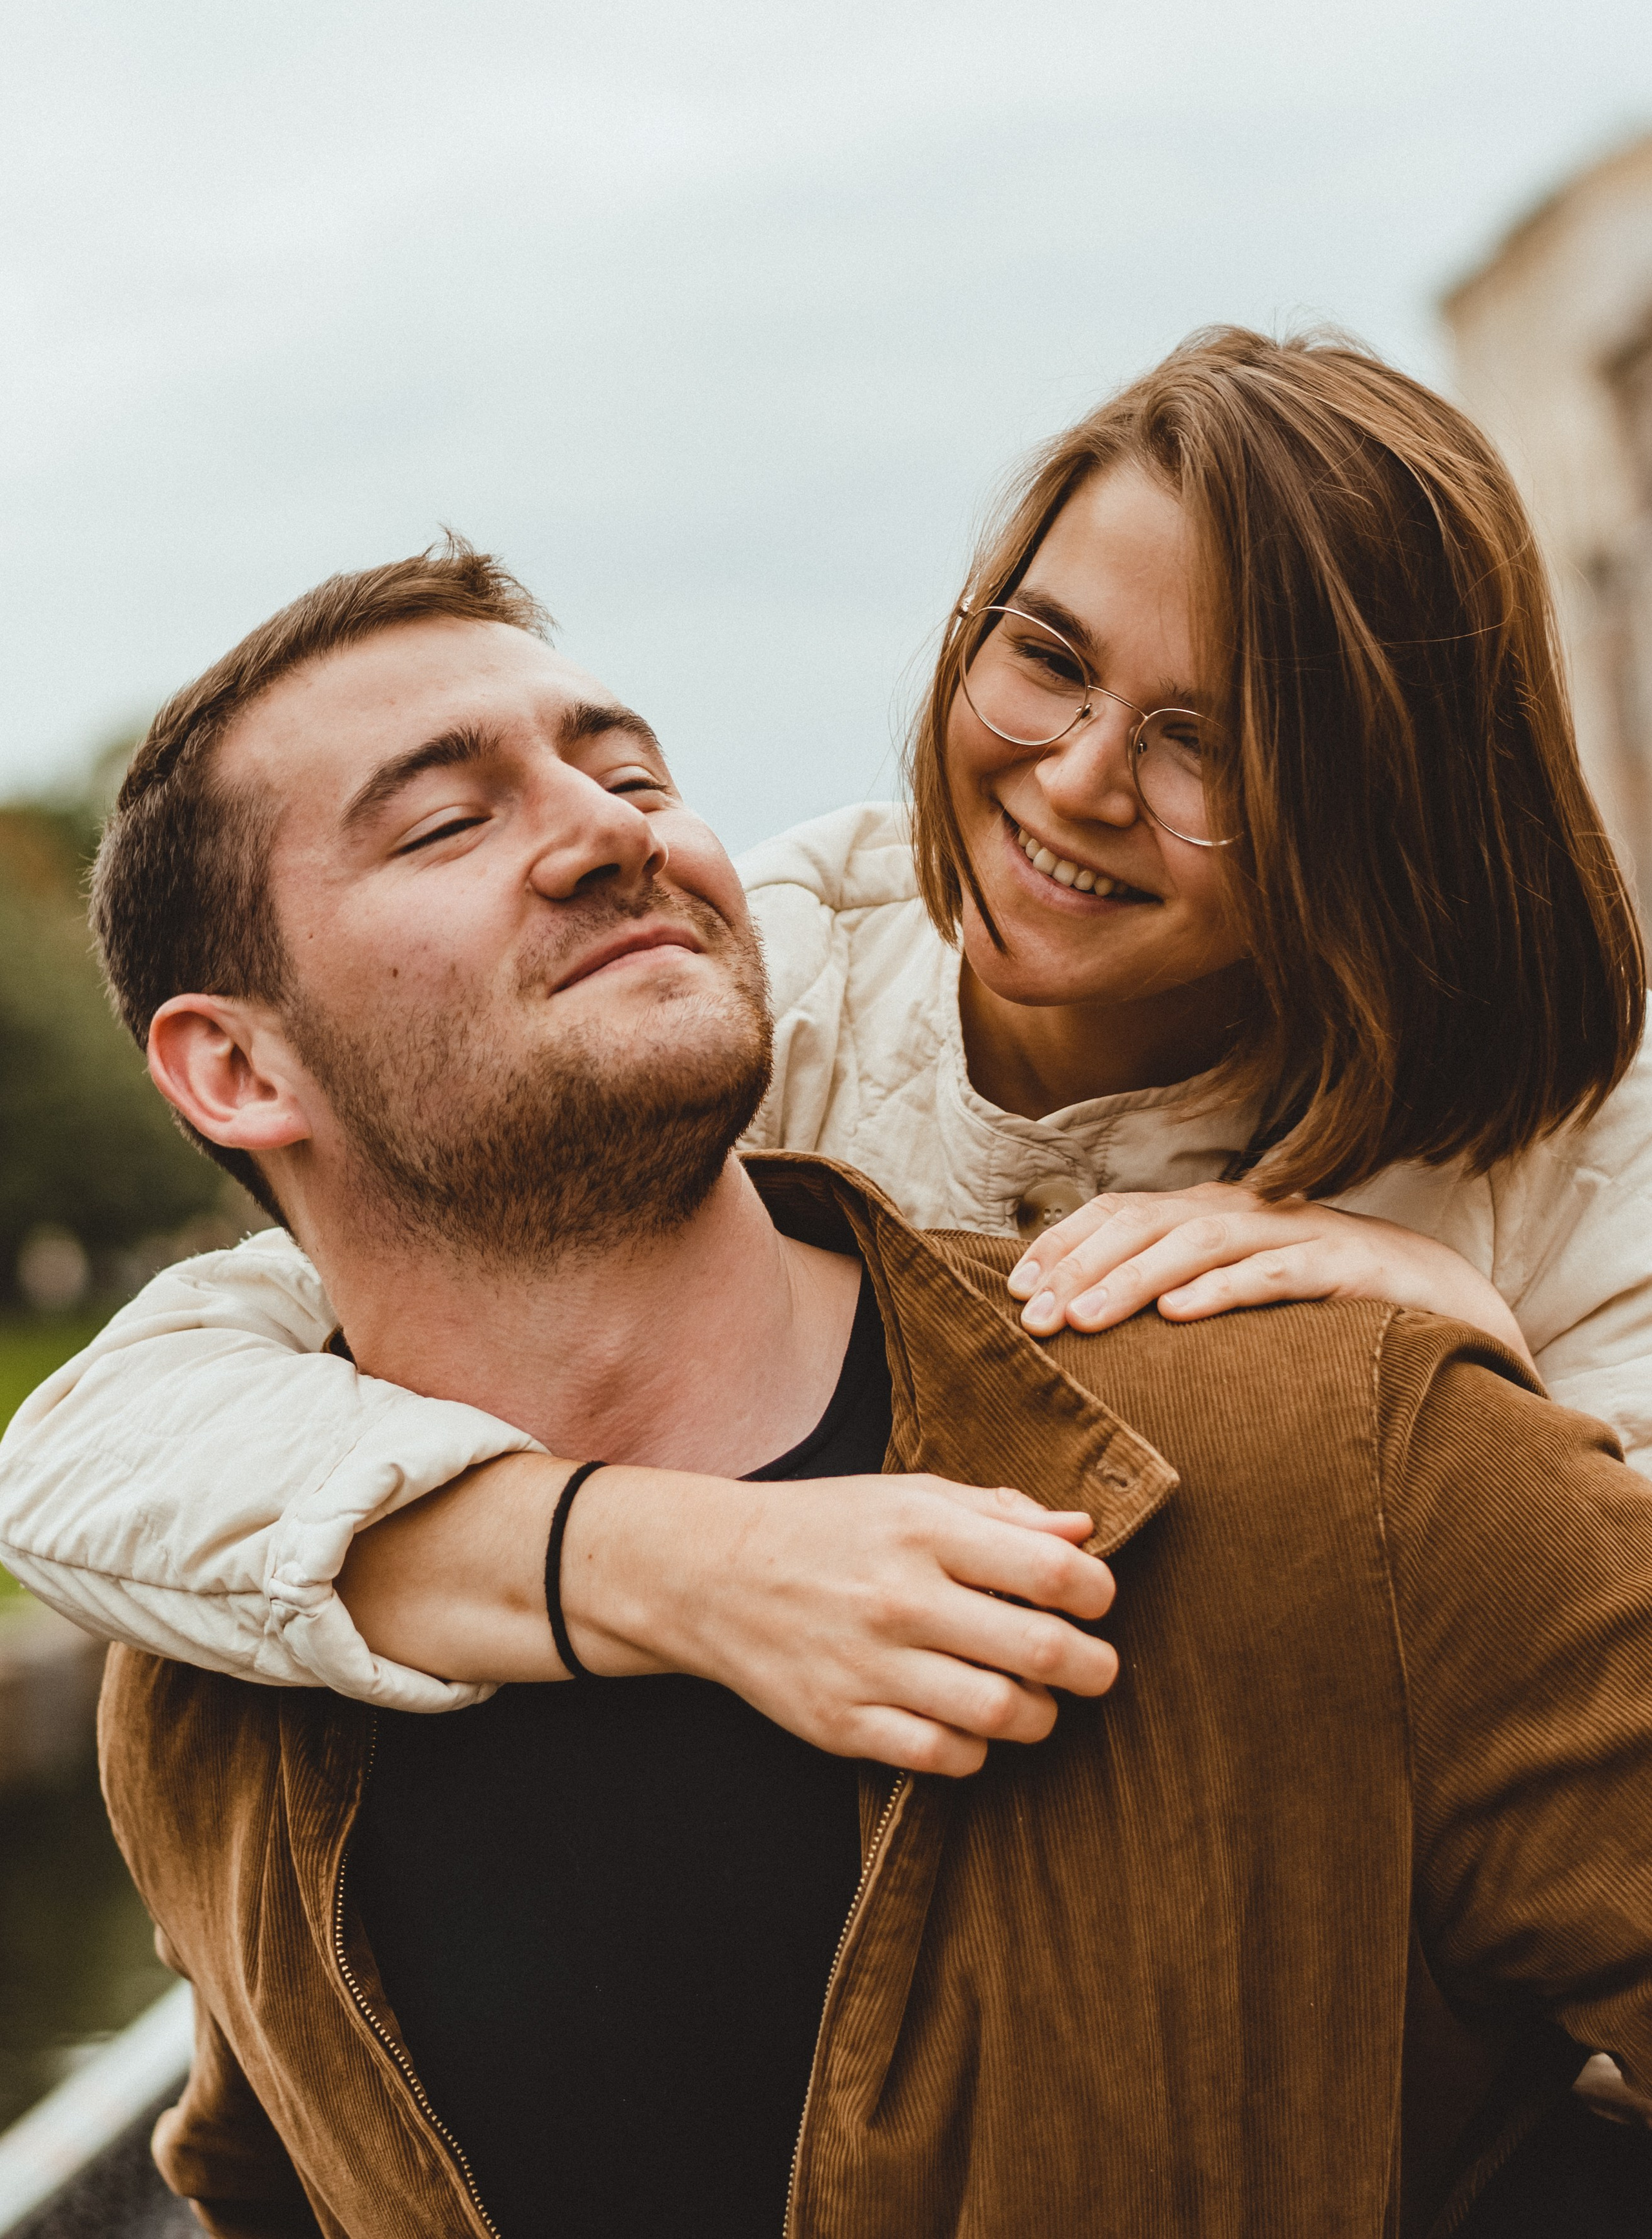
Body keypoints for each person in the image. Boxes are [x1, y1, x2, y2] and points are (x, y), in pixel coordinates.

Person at [83, 567, 1652, 2237]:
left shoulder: (1353, 1453)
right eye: (446, 824)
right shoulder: (200, 1707)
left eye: (630, 774)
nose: (613, 833)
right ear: (237, 1069)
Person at [6, 327, 1649, 1742]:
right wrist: (673, 1564)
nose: (1072, 777)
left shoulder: (1578, 1143)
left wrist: (1464, 1383)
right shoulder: (748, 976)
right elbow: (101, 1445)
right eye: (1044, 659)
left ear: (1396, 794)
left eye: (1203, 741)